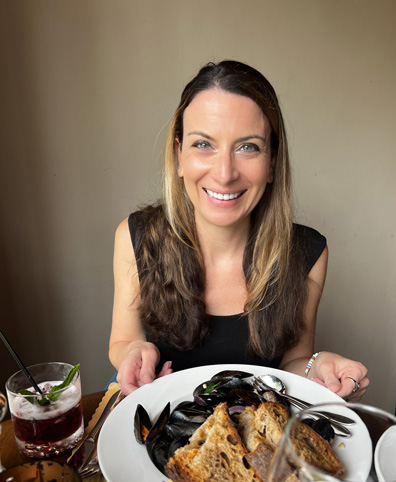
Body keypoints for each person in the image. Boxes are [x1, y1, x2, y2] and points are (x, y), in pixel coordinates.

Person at [109, 60, 369, 399]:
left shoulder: (308, 253)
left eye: (248, 147)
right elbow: (122, 340)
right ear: (179, 156)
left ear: (272, 162)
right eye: (203, 144)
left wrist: (317, 365)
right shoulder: (136, 238)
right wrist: (132, 353)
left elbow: (294, 364)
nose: (225, 172)